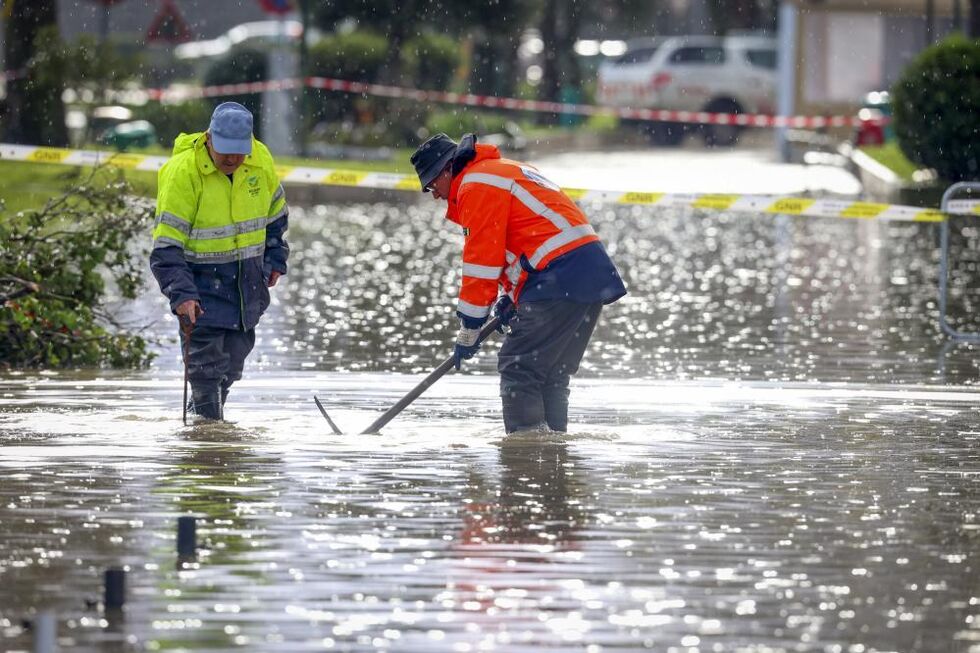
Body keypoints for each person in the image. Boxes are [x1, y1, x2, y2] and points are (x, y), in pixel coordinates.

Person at [411, 133, 626, 433]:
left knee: (519, 367)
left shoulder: (476, 184)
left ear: (447, 169)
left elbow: (481, 260)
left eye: (433, 184)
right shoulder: (502, 170)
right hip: (588, 273)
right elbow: (526, 242)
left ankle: (526, 457)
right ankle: (553, 455)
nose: (434, 194)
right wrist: (513, 297)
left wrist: (469, 328)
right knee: (551, 373)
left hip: (558, 276)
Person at [150, 102, 289, 420]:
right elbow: (166, 247)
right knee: (205, 369)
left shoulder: (260, 159)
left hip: (247, 286)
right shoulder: (183, 173)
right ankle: (209, 438)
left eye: (238, 152)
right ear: (208, 138)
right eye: (225, 150)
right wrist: (182, 294)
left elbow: (276, 215)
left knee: (232, 364)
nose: (231, 159)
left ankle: (206, 428)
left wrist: (275, 258)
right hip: (200, 285)